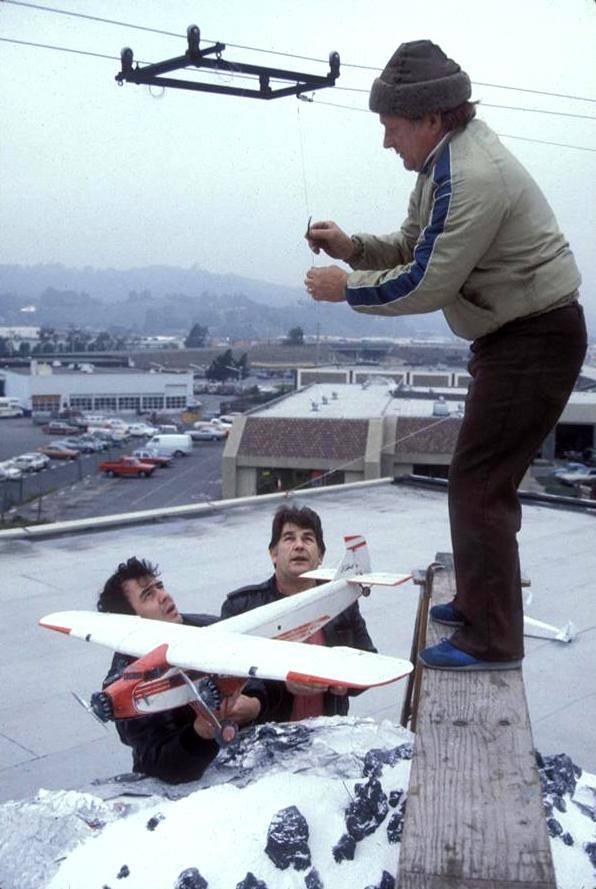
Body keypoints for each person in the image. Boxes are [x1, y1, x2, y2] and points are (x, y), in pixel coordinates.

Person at [304, 40, 587, 671]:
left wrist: (345, 288)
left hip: (534, 337)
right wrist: (352, 248)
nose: (386, 142)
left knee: (479, 484)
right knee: (479, 479)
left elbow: (428, 282)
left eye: (391, 127)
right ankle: (483, 605)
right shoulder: (441, 163)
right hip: (514, 334)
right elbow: (413, 244)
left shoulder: (470, 174)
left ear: (430, 118)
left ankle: (492, 638)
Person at [98, 557, 266, 784]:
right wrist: (199, 734)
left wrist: (254, 703)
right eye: (148, 595)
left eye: (160, 586)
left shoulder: (206, 628)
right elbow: (158, 763)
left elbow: (257, 675)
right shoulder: (126, 682)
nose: (164, 595)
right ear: (129, 621)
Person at [220, 504, 376, 720]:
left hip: (328, 734)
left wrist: (346, 683)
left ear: (320, 556)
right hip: (267, 736)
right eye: (289, 538)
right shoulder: (240, 607)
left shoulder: (342, 603)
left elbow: (368, 658)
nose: (299, 546)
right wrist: (285, 681)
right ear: (273, 554)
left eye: (308, 539)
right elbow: (228, 670)